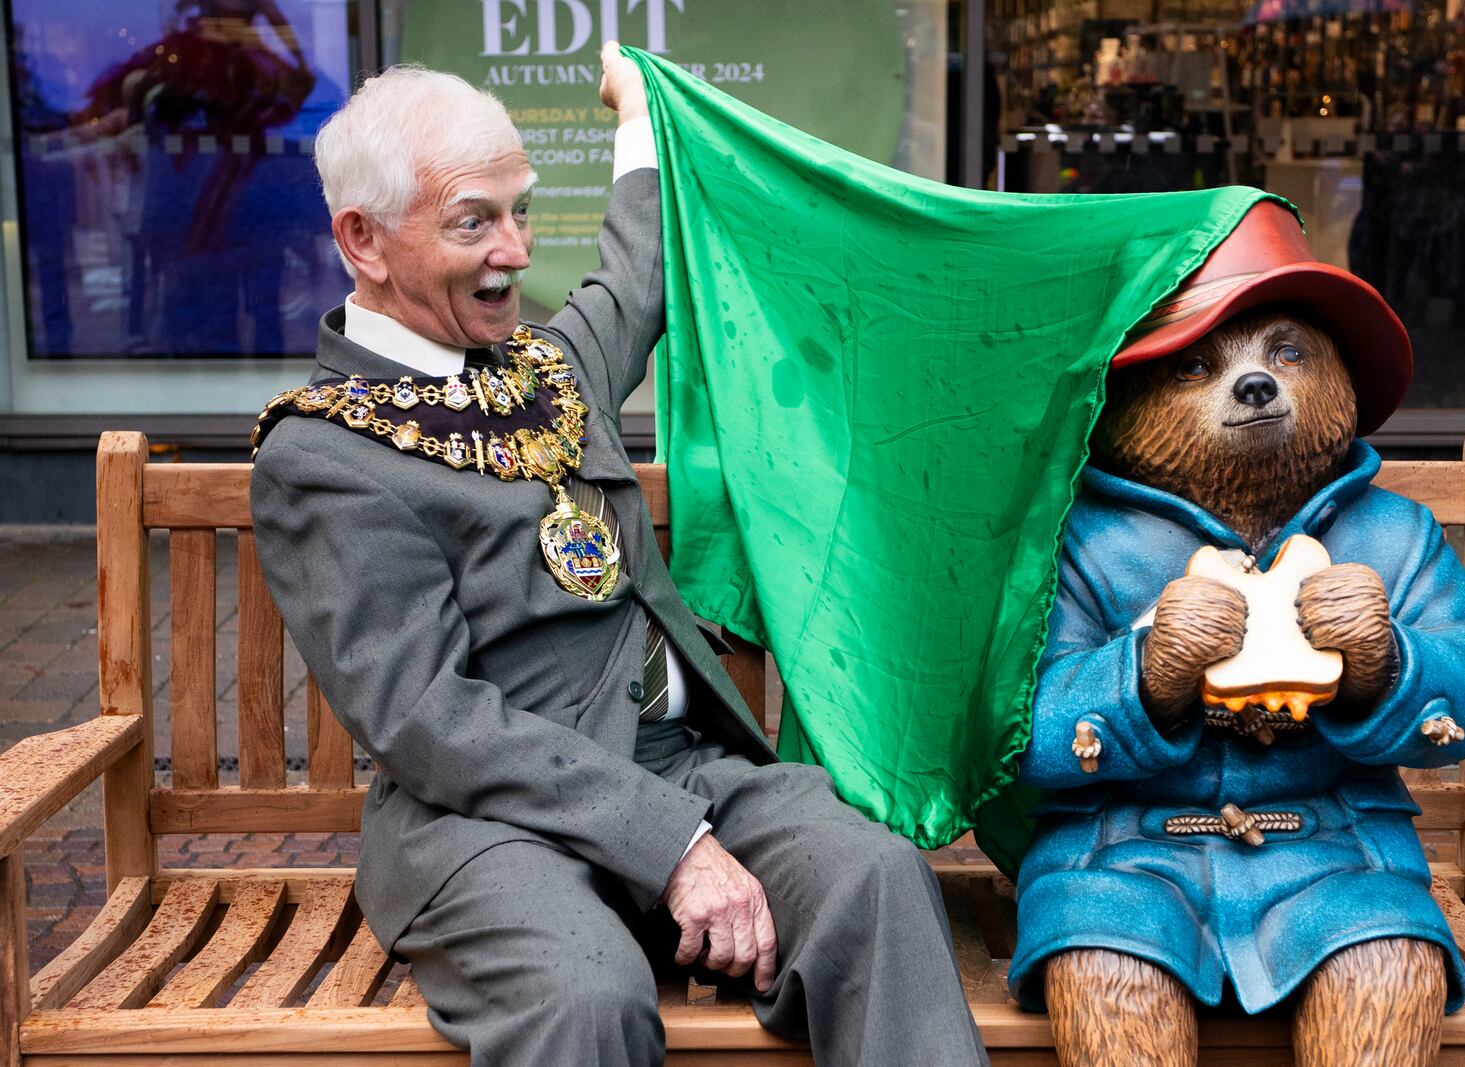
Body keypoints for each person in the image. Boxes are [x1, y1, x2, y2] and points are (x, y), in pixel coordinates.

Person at [248, 45, 986, 1067]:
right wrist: (673, 846)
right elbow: (429, 718)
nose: (514, 248)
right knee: (584, 995)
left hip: (686, 768)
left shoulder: (547, 367)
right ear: (362, 239)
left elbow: (635, 273)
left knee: (876, 873)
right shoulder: (322, 454)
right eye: (475, 219)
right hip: (486, 826)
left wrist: (640, 109)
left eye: (521, 208)